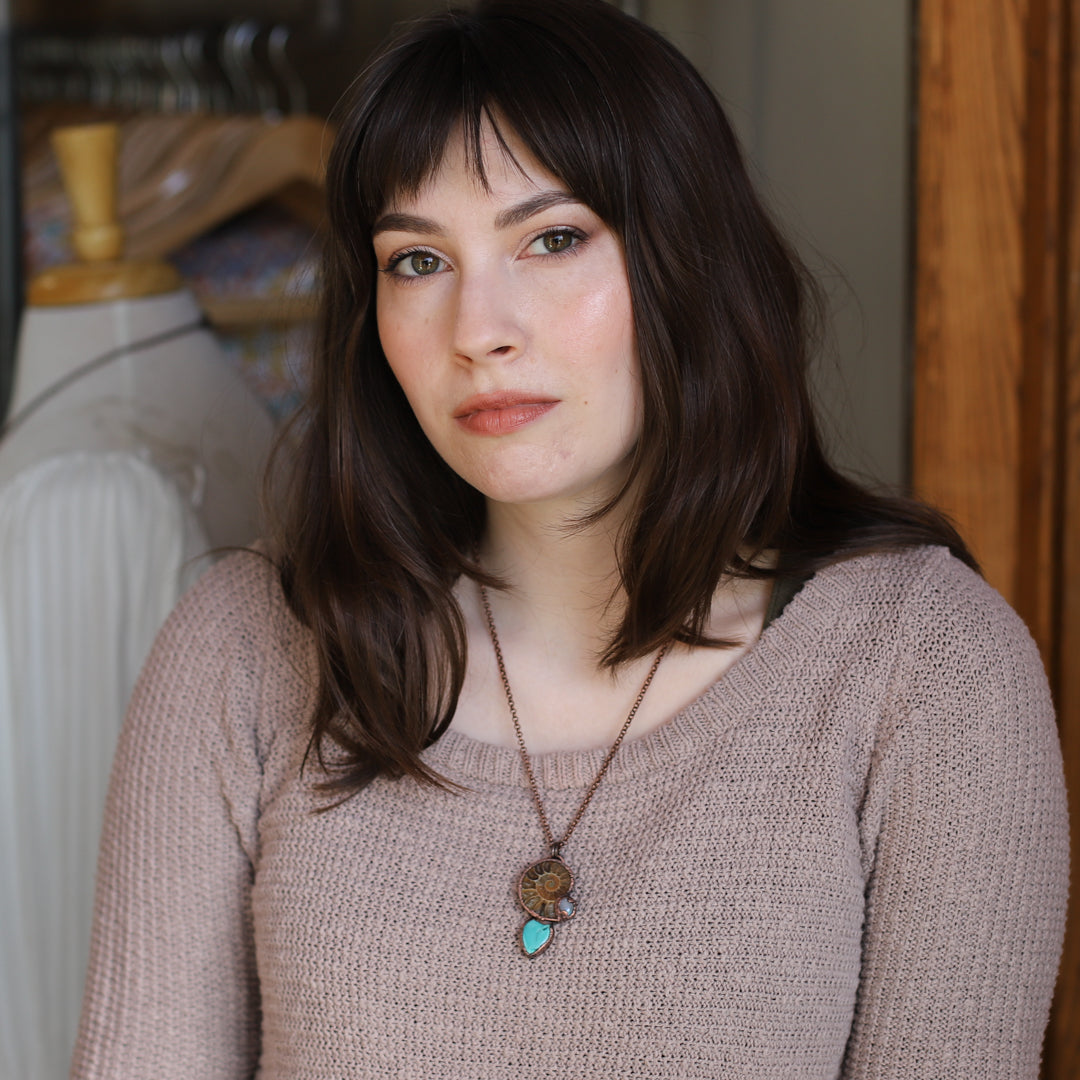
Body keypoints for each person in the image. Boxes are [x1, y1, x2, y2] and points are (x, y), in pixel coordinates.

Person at [70, 1, 1068, 1076]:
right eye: (417, 260)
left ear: (689, 260)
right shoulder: (244, 651)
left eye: (551, 239)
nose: (479, 330)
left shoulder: (927, 669)